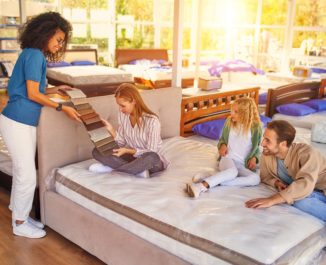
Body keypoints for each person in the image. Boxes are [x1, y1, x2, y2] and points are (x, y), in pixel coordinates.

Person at [0, 12, 80, 239]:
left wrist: (56, 90)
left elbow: (32, 89)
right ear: (45, 34)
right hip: (17, 121)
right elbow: (33, 94)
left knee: (21, 172)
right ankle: (20, 223)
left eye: (62, 41)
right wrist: (61, 107)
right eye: (58, 39)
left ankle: (20, 214)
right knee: (27, 175)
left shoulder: (32, 54)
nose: (60, 44)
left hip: (19, 120)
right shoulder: (34, 56)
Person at [245, 120, 326, 222]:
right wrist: (276, 182)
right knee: (297, 200)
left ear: (283, 144)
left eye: (267, 140)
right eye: (263, 138)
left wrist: (273, 199)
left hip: (321, 190)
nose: (262, 143)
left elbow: (305, 183)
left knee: (297, 200)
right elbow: (265, 177)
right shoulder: (267, 154)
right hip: (312, 192)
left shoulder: (307, 153)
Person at [187, 97, 262, 198]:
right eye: (232, 111)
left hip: (241, 164)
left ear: (245, 113)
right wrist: (222, 146)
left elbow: (257, 147)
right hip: (228, 159)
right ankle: (201, 187)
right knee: (232, 172)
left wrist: (254, 158)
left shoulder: (256, 127)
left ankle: (214, 178)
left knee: (255, 179)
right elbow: (222, 140)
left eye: (236, 112)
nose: (232, 114)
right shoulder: (229, 122)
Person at [90, 83, 167, 178]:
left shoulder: (152, 121)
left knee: (152, 156)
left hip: (152, 163)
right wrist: (111, 129)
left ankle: (113, 169)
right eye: (119, 105)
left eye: (123, 106)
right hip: (133, 159)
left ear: (134, 101)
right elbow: (121, 142)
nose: (120, 109)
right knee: (97, 151)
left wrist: (127, 150)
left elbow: (151, 151)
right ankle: (136, 171)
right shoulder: (123, 115)